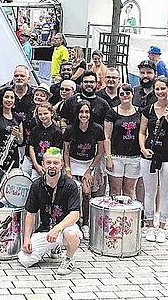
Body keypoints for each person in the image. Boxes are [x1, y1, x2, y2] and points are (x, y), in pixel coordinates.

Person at [18, 147, 81, 275]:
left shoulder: (70, 185)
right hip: (46, 230)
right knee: (25, 260)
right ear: (43, 164)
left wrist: (57, 228)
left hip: (64, 228)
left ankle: (69, 259)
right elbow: (30, 213)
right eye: (49, 162)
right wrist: (26, 238)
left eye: (56, 163)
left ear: (62, 164)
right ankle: (54, 247)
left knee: (71, 234)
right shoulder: (36, 185)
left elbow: (75, 214)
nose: (52, 166)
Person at [138, 76, 168, 243]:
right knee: (150, 192)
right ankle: (150, 225)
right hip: (150, 155)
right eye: (157, 89)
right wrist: (143, 148)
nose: (160, 92)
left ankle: (162, 226)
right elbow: (142, 131)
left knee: (166, 192)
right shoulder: (148, 110)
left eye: (163, 89)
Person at [63, 100, 107, 239]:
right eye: (81, 112)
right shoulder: (70, 129)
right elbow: (66, 151)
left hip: (89, 162)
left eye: (86, 112)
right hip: (73, 162)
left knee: (86, 192)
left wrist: (90, 170)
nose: (84, 114)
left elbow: (100, 152)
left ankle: (86, 223)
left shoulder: (97, 129)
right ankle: (72, 221)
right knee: (72, 191)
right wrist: (68, 170)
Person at [104, 83, 142, 198]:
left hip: (134, 157)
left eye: (127, 93)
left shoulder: (140, 112)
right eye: (122, 94)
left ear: (132, 94)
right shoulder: (112, 112)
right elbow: (107, 136)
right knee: (115, 190)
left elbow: (143, 133)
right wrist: (108, 157)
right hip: (116, 156)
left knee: (129, 191)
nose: (125, 96)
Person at [0, 87, 24, 169]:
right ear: (1, 98)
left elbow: (21, 141)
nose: (9, 100)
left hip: (13, 157)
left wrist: (17, 135)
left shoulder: (18, 118)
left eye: (12, 97)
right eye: (6, 97)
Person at [28, 103, 63, 180]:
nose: (43, 116)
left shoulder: (57, 131)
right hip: (36, 166)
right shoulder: (35, 130)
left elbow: (57, 151)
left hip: (50, 167)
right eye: (40, 114)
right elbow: (31, 147)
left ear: (52, 113)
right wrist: (36, 165)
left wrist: (47, 166)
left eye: (45, 113)